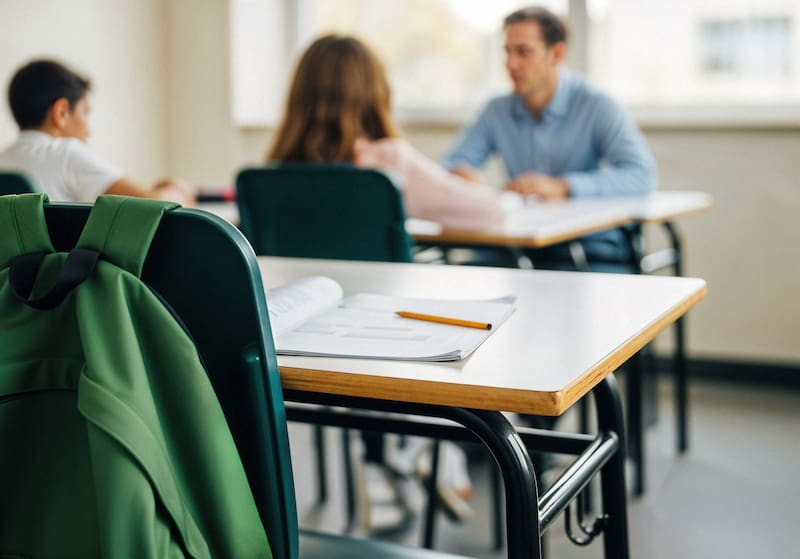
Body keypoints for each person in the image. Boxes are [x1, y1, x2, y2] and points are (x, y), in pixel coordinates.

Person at [267, 34, 494, 532]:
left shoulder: (269, 174)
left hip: (304, 340)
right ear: (374, 93)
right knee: (456, 294)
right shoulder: (389, 161)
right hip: (391, 338)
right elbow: (487, 211)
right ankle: (416, 447)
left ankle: (384, 456)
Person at [443, 6, 657, 271]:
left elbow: (641, 175)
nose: (511, 64)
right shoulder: (496, 110)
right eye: (507, 52)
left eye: (523, 52)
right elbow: (453, 165)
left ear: (556, 54)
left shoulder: (596, 105)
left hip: (589, 250)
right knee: (463, 276)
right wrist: (462, 176)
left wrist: (564, 187)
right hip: (518, 247)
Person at [0, 59, 195, 206]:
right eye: (85, 113)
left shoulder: (4, 161)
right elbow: (156, 207)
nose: (88, 130)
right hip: (66, 262)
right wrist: (178, 190)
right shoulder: (66, 154)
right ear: (61, 112)